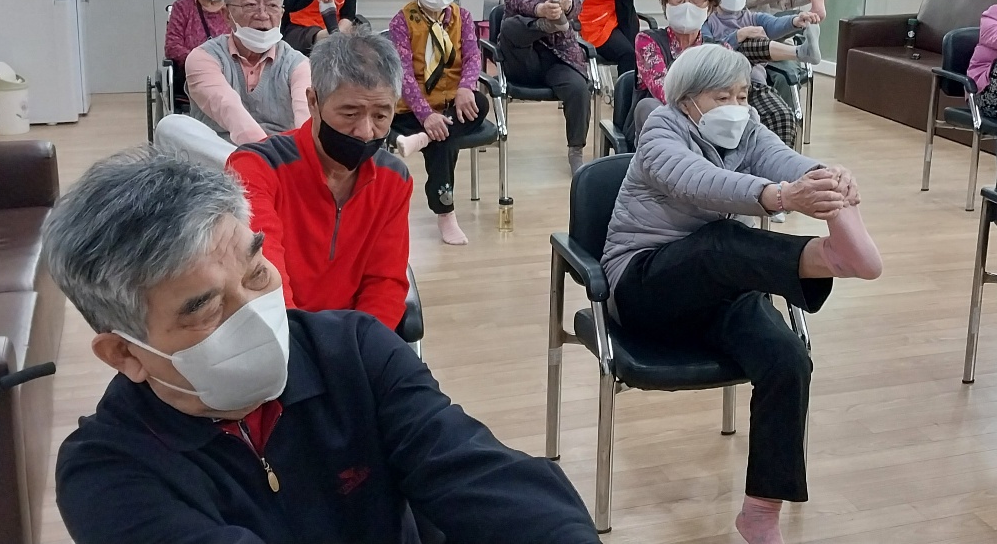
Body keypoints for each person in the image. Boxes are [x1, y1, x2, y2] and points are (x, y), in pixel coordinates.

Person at [45, 149, 601, 544]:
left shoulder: (352, 351)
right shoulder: (107, 472)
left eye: (257, 271)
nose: (253, 312)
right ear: (125, 354)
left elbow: (476, 472)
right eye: (205, 307)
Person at [603, 43, 882, 544]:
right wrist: (779, 197)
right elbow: (697, 182)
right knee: (721, 240)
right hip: (645, 284)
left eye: (742, 95)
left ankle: (760, 512)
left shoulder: (747, 128)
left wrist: (826, 178)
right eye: (721, 97)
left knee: (787, 358)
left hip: (718, 286)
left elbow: (784, 159)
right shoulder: (660, 127)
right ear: (687, 98)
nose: (736, 106)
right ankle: (826, 258)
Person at [226, 31, 413, 331]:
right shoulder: (256, 168)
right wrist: (303, 349)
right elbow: (263, 278)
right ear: (313, 101)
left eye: (381, 116)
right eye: (350, 113)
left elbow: (385, 282)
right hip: (279, 334)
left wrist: (363, 345)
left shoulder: (394, 178)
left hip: (355, 337)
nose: (366, 132)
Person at [384, 0, 488, 246]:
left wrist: (466, 87)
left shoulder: (462, 17)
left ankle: (423, 140)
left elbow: (473, 57)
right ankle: (446, 213)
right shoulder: (402, 21)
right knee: (444, 138)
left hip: (453, 104)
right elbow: (403, 74)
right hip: (412, 110)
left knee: (478, 104)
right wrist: (426, 115)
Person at [174, 0, 310, 151]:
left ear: (281, 14)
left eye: (272, 6)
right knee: (170, 126)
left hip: (282, 155)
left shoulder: (298, 64)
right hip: (220, 154)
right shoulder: (203, 57)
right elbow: (229, 109)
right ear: (227, 15)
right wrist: (263, 155)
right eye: (250, 5)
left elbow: (306, 118)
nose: (262, 15)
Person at [703, 0, 822, 148]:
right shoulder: (707, 21)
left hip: (753, 83)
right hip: (720, 83)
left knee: (782, 116)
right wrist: (738, 35)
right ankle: (799, 53)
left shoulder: (753, 17)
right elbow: (707, 49)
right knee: (747, 42)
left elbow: (775, 24)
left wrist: (796, 21)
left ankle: (780, 163)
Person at [501, 0, 593, 170]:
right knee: (510, 26)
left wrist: (568, 5)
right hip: (524, 59)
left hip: (558, 58)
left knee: (578, 88)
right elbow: (521, 3)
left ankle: (576, 150)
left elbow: (577, 6)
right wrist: (542, 11)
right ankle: (547, 25)